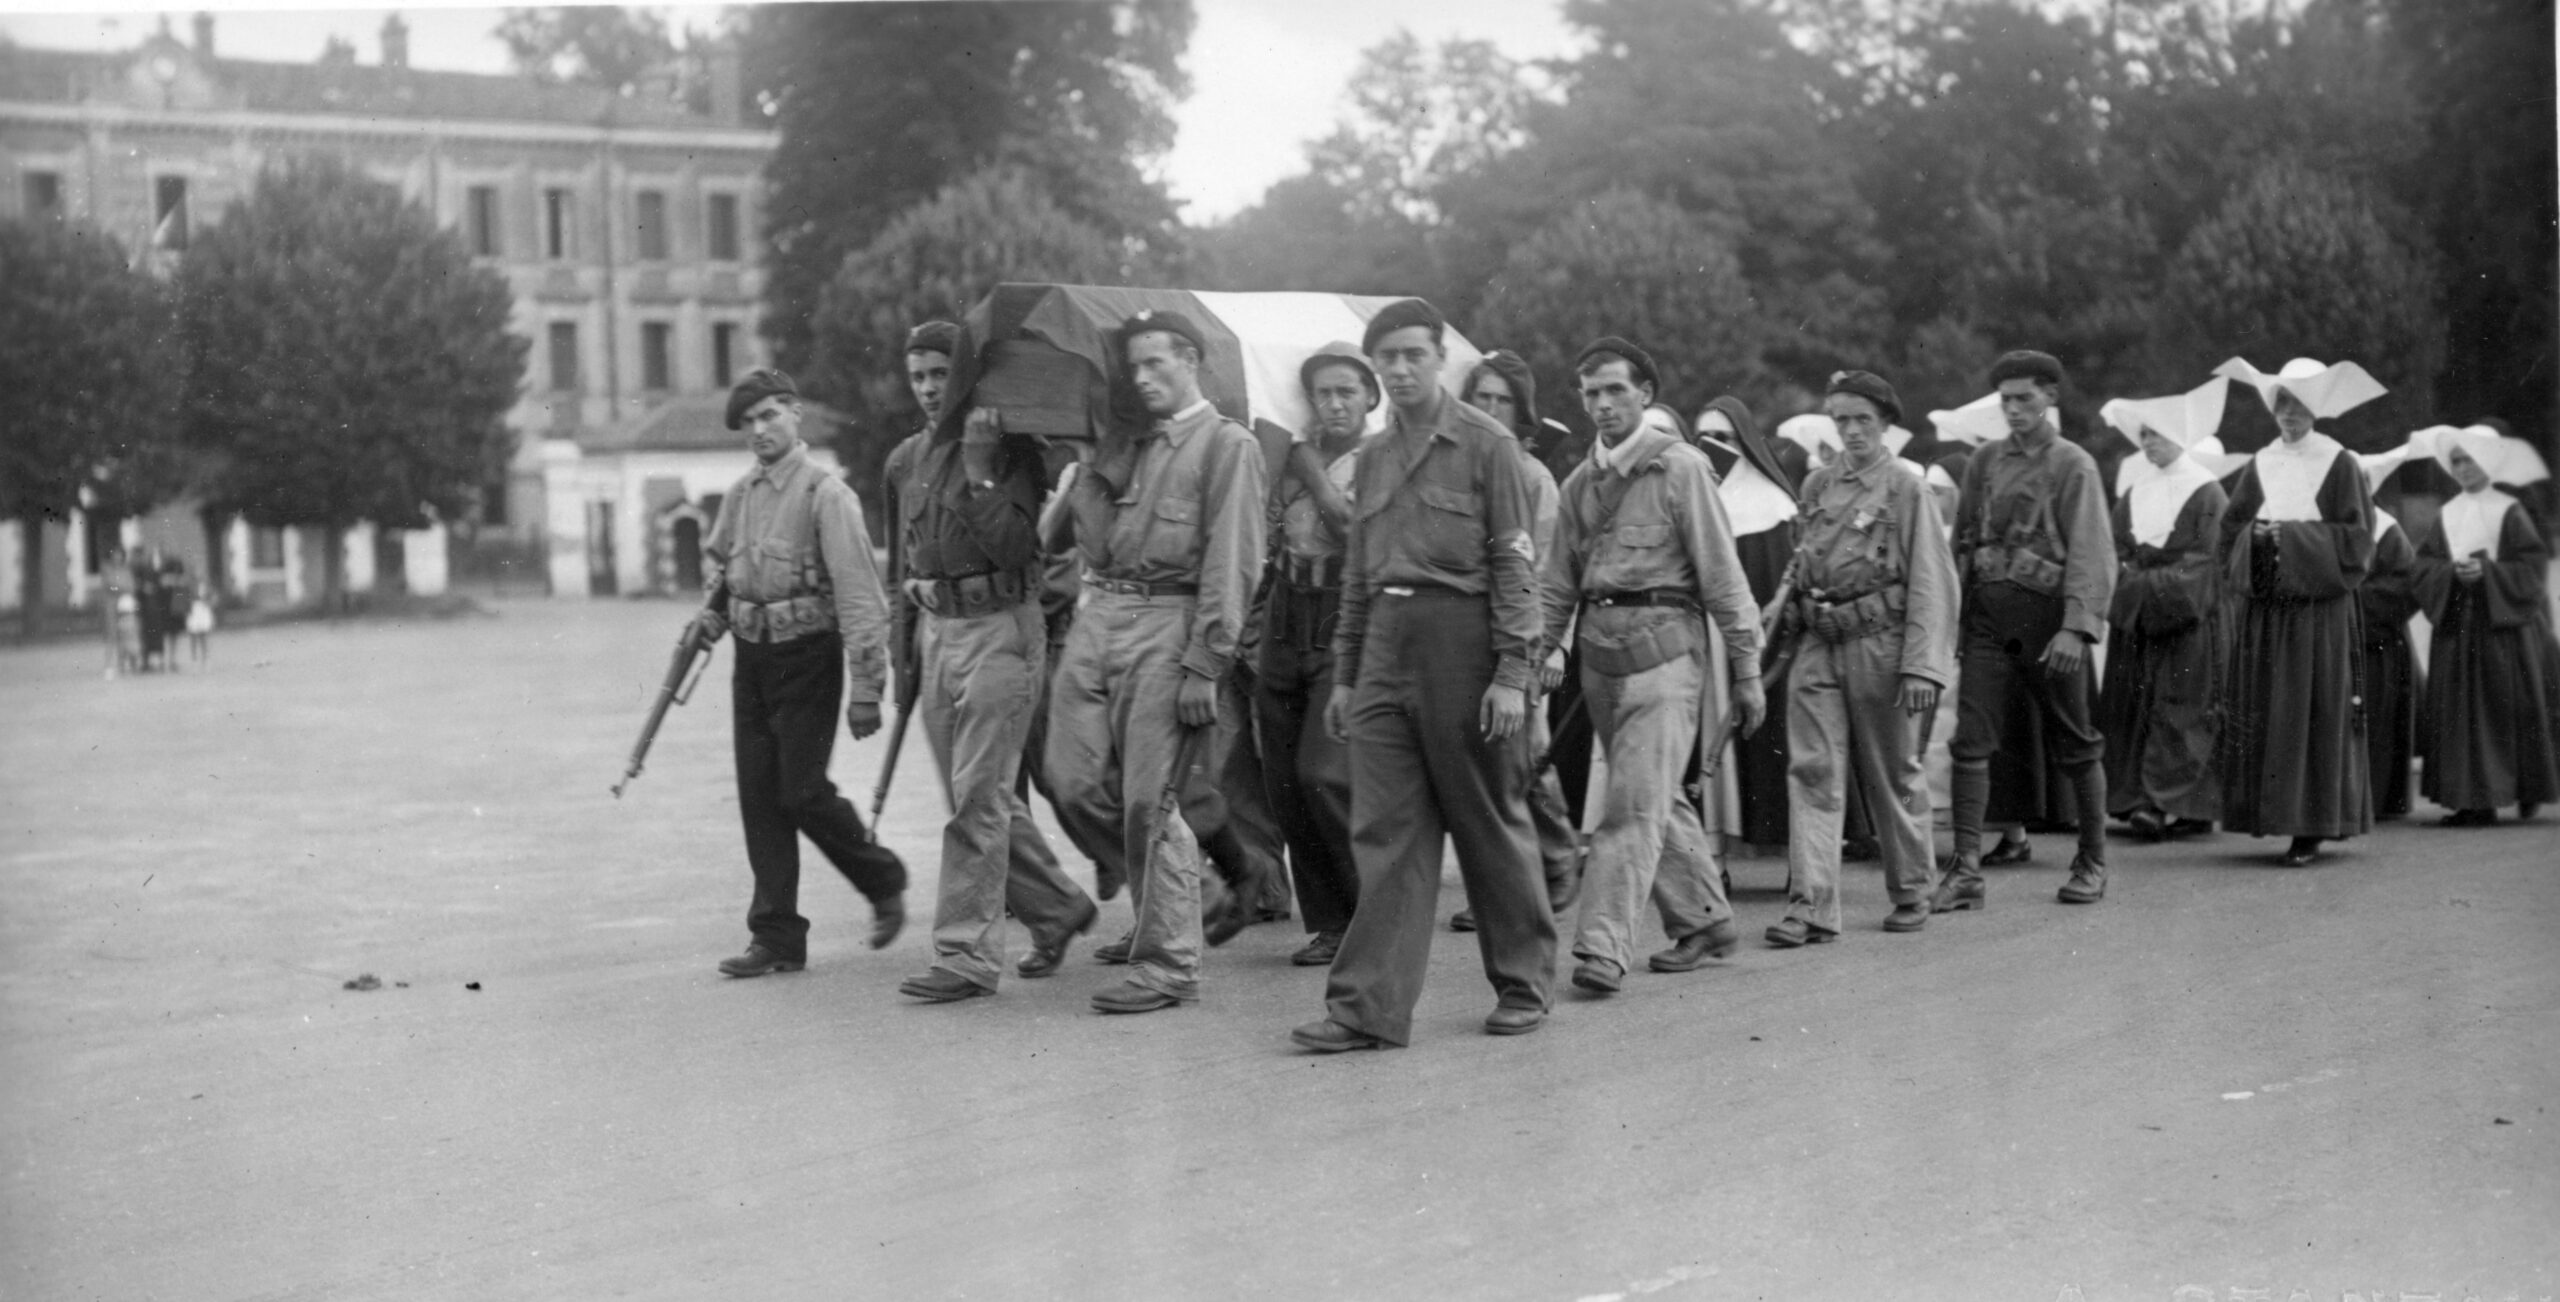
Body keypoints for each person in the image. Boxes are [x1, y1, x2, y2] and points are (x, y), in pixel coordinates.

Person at [1291, 298, 1554, 1051]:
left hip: (1463, 643)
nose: (1400, 370)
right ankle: (1367, 1009)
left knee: (1487, 819)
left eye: (1413, 354)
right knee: (1386, 834)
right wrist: (1346, 675)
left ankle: (1523, 981)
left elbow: (1514, 562)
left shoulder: (1486, 444)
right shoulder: (1369, 460)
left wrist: (1512, 671)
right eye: (1388, 358)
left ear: (1441, 358)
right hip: (1382, 650)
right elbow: (1357, 579)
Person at [1044, 310, 1265, 1014]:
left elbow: (1234, 563)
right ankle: (1189, 899)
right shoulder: (1122, 446)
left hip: (1169, 624)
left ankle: (1169, 958)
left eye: (1154, 364)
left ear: (1191, 359)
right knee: (1070, 780)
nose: (1141, 380)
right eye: (1131, 369)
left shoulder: (1227, 446)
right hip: (1099, 616)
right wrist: (1087, 475)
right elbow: (1088, 547)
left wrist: (1207, 662)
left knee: (1149, 798)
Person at [882, 321, 1101, 1003]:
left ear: (967, 378)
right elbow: (901, 566)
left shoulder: (1010, 452)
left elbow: (1014, 548)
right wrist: (900, 661)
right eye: (917, 375)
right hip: (936, 634)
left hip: (1003, 626)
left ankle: (967, 955)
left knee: (979, 796)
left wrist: (978, 469)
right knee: (978, 797)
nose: (926, 388)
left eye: (939, 374)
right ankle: (1058, 906)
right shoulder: (904, 460)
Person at [1543, 346, 1764, 993]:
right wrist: (1533, 657)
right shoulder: (1580, 485)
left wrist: (1747, 668)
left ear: (1645, 393)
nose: (1603, 405)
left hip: (1667, 657)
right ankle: (1705, 920)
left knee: (1629, 807)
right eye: (1590, 394)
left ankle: (1602, 948)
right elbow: (1556, 586)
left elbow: (1723, 575)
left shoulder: (1683, 469)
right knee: (1653, 796)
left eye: (1615, 390)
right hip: (1600, 661)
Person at [698, 368, 907, 977]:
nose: (760, 431)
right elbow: (721, 571)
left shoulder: (827, 495)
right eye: (749, 423)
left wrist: (867, 690)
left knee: (803, 791)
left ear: (796, 416)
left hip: (808, 657)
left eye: (770, 416)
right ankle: (777, 936)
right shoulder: (740, 496)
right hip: (752, 660)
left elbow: (862, 598)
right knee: (760, 799)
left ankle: (882, 877)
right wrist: (712, 615)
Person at [1765, 370, 1958, 947]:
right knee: (1813, 772)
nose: (1851, 431)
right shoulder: (1818, 485)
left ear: (1885, 425)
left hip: (1882, 643)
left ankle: (1912, 888)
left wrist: (1923, 666)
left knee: (1894, 772)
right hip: (1820, 642)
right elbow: (1801, 563)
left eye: (1863, 421)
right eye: (1842, 420)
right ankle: (1812, 905)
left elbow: (1933, 580)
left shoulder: (1906, 487)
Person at [1934, 351, 2117, 912]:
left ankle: (2092, 862)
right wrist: (1959, 624)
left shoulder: (2074, 465)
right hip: (1989, 622)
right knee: (1970, 742)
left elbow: (2092, 553)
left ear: (2051, 399)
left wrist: (2076, 630)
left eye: (2025, 400)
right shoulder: (1983, 462)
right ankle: (1964, 871)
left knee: (2075, 741)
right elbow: (1960, 546)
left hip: (2048, 625)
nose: (2013, 410)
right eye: (2006, 401)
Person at [2210, 356, 2384, 866]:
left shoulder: (2339, 462)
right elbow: (2229, 531)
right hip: (2269, 608)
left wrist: (2289, 537)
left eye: (2299, 404)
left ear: (2317, 410)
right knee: (2271, 707)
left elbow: (2357, 542)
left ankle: (2312, 823)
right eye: (2281, 403)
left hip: (2317, 612)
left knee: (2312, 706)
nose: (2289, 414)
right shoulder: (2260, 462)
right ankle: (2271, 814)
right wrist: (2256, 540)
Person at [1455, 348, 1582, 929]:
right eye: (1480, 396)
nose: (1489, 408)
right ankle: (1501, 887)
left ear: (1521, 410)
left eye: (1502, 399)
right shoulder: (1457, 466)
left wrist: (1553, 646)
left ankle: (1557, 859)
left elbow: (1553, 571)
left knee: (1524, 754)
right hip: (1462, 633)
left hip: (1522, 635)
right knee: (1479, 762)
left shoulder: (1534, 478)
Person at [1256, 341, 1373, 968]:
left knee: (1324, 773)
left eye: (1346, 392)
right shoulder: (1291, 455)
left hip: (1343, 613)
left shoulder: (1382, 457)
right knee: (1283, 781)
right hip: (1284, 611)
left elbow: (1355, 530)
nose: (1332, 404)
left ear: (1370, 398)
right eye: (1322, 392)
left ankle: (1371, 913)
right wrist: (1293, 461)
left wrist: (1311, 470)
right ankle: (1328, 922)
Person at [2095, 382, 2230, 840]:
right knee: (2136, 706)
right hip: (2139, 623)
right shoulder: (2132, 494)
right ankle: (2137, 799)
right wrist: (2135, 584)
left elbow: (2205, 565)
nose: (2147, 443)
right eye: (2143, 435)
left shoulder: (2209, 495)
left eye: (2156, 434)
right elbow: (2112, 555)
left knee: (2183, 712)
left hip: (2186, 624)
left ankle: (2181, 802)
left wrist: (2141, 586)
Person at [2411, 424, 2560, 825]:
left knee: (2506, 708)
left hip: (2501, 629)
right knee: (2462, 713)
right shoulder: (2447, 514)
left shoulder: (2508, 509)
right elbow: (2423, 566)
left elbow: (2530, 566)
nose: (2462, 467)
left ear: (2488, 462)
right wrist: (2449, 573)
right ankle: (2472, 799)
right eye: (2456, 460)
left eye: (2470, 459)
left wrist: (2490, 573)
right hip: (2460, 625)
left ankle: (2522, 788)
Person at [1692, 395, 1798, 851]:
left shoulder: (1772, 504)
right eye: (1704, 439)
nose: (1714, 447)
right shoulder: (1697, 497)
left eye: (1723, 438)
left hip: (1761, 646)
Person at [2356, 446, 2423, 822]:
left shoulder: (2384, 528)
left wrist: (2354, 604)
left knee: (2376, 720)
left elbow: (2406, 583)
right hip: (2341, 637)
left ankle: (2377, 798)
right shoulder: (2329, 523)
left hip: (2375, 641)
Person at [185, 583, 214, 666]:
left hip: (203, 609)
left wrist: (208, 602)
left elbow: (213, 596)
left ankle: (205, 658)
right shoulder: (190, 584)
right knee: (193, 634)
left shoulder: (207, 584)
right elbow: (185, 596)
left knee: (204, 635)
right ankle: (194, 659)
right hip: (194, 609)